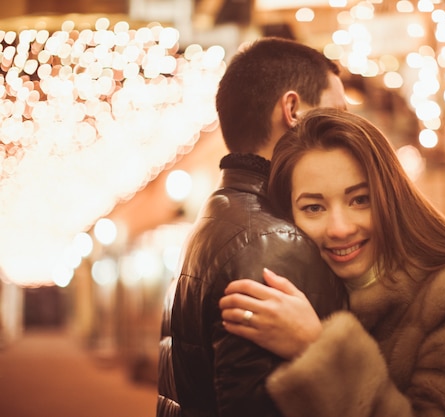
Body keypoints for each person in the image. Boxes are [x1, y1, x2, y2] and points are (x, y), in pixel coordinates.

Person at [219, 108, 445, 417]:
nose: (340, 228)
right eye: (314, 208)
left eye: (360, 200)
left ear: (390, 197)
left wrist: (316, 348)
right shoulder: (321, 293)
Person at [156, 38, 349, 417]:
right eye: (337, 113)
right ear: (292, 109)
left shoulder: (217, 216)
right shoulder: (276, 241)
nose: (348, 130)